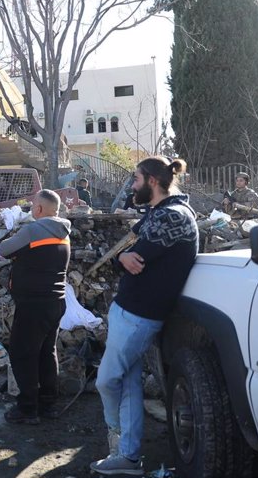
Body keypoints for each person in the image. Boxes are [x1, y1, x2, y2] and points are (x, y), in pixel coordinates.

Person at [91, 156, 198, 476]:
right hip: (131, 311)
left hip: (139, 315)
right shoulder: (158, 214)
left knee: (107, 381)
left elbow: (135, 256)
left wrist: (124, 257)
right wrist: (123, 257)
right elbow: (120, 256)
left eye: (136, 179)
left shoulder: (173, 217)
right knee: (127, 383)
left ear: (152, 181)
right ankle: (128, 456)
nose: (132, 186)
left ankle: (118, 441)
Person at [0, 190, 71, 424]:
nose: (31, 209)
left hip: (32, 304)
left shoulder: (33, 229)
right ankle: (48, 405)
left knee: (23, 354)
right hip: (55, 302)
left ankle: (28, 408)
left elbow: (4, 250)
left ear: (39, 209)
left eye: (33, 205)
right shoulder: (64, 231)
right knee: (46, 352)